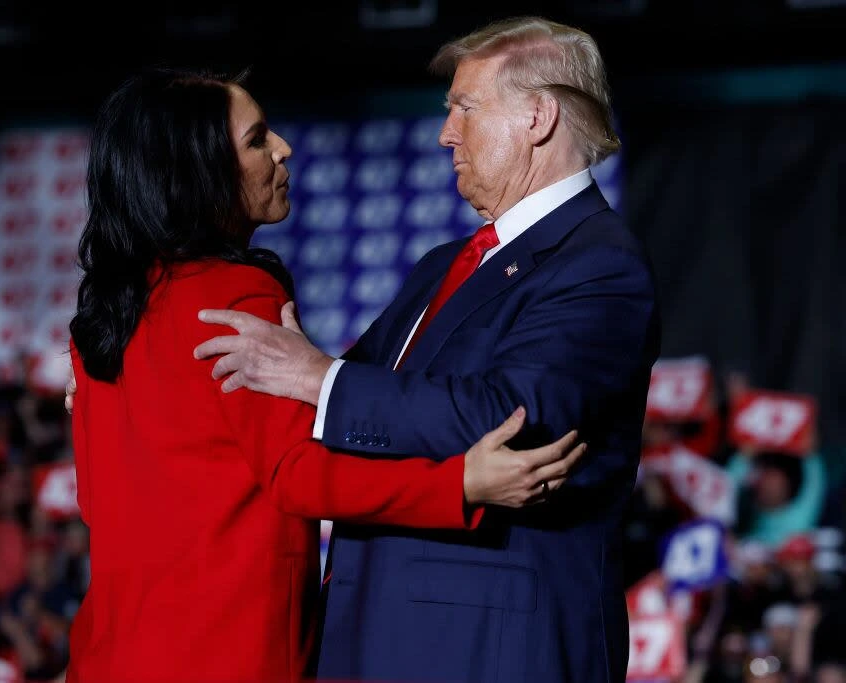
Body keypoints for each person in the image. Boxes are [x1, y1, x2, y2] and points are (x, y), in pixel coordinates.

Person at [64, 67, 587, 683]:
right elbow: (298, 474)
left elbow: (96, 505)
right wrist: (459, 484)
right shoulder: (235, 293)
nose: (283, 148)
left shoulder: (99, 319)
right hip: (226, 653)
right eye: (257, 139)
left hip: (109, 655)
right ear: (199, 173)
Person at [192, 17, 661, 683]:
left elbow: (514, 418)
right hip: (379, 636)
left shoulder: (599, 264)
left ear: (537, 116)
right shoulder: (447, 263)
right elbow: (317, 401)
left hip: (491, 651)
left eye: (464, 108)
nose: (446, 132)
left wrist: (324, 379)